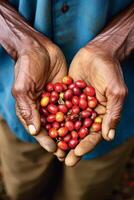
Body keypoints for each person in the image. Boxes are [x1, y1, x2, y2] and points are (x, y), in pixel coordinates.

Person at [0, 0, 133, 199]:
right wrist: (20, 41)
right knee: (23, 185)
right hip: (18, 83)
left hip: (116, 87)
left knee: (85, 191)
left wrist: (115, 41)